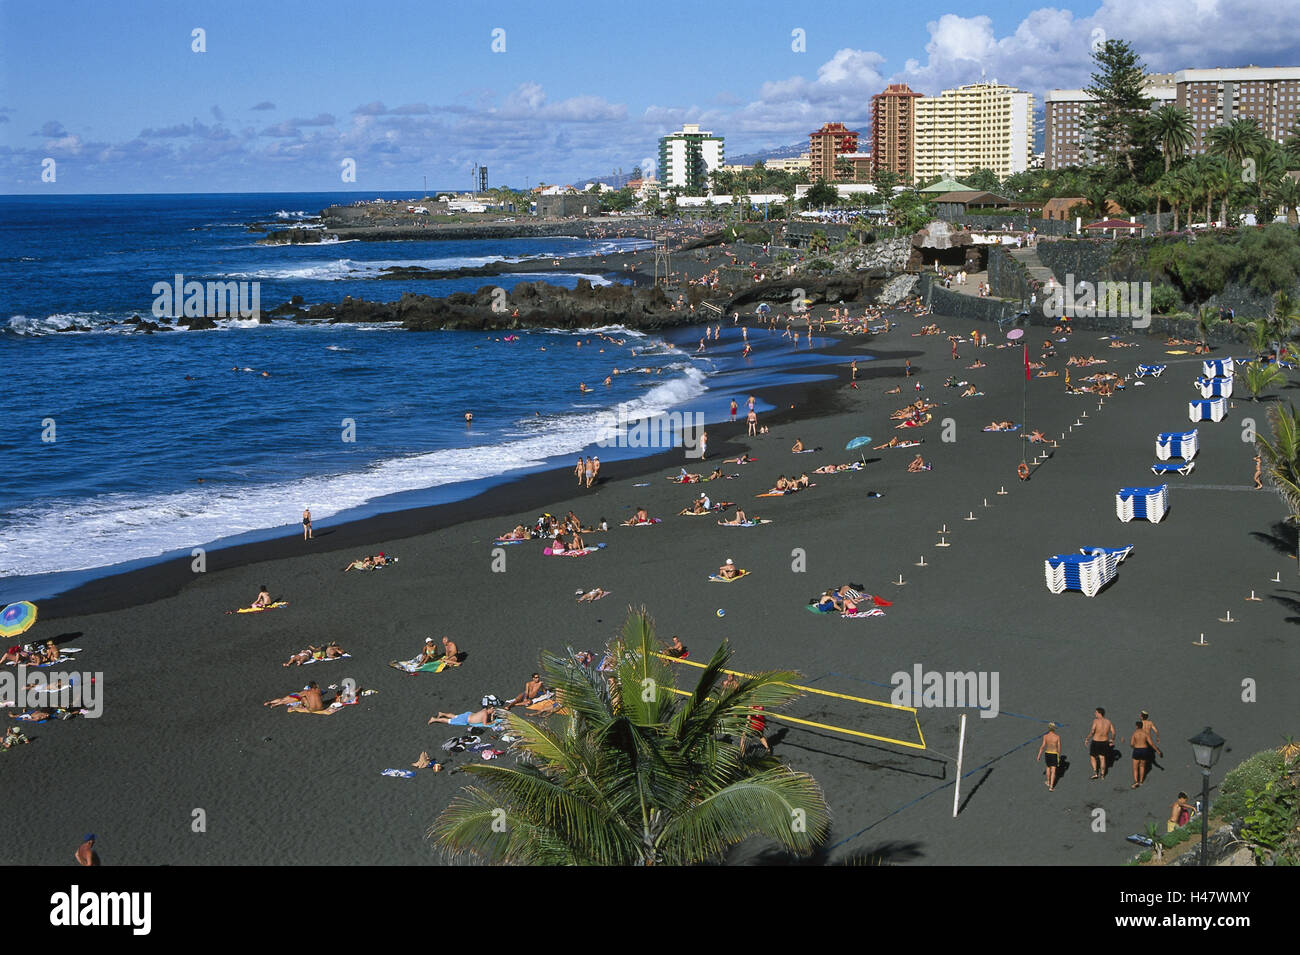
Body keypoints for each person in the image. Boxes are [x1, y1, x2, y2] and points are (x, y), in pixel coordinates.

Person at [1085, 707, 1115, 780]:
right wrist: (1112, 739)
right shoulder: (1108, 722)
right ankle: (1102, 775)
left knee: (1092, 756)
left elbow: (1092, 731)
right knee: (1102, 758)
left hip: (1096, 741)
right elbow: (1113, 732)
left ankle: (1095, 773)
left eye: (1096, 712)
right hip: (1104, 742)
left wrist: (1087, 738)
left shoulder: (1096, 721)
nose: (1095, 714)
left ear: (1099, 713)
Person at [1036, 722, 1063, 791]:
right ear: (1054, 729)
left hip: (1047, 753)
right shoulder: (1057, 737)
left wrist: (1039, 755)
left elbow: (1042, 746)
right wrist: (1059, 756)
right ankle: (1051, 787)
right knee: (1053, 770)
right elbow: (1059, 748)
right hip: (1054, 753)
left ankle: (1048, 781)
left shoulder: (1045, 736)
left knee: (1048, 768)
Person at [1130, 720, 1156, 788]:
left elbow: (1131, 744)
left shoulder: (1135, 733)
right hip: (1144, 750)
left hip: (1137, 750)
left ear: (1136, 726)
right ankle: (1141, 781)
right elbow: (1151, 743)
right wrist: (1158, 751)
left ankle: (1136, 781)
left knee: (1135, 768)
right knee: (1142, 766)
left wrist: (1134, 747)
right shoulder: (1145, 733)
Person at [429, 706, 496, 726]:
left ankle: (442, 714)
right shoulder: (485, 714)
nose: (493, 711)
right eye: (492, 710)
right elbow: (485, 724)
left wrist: (492, 714)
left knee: (455, 716)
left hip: (468, 715)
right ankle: (434, 719)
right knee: (449, 721)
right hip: (466, 719)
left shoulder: (484, 710)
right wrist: (492, 722)